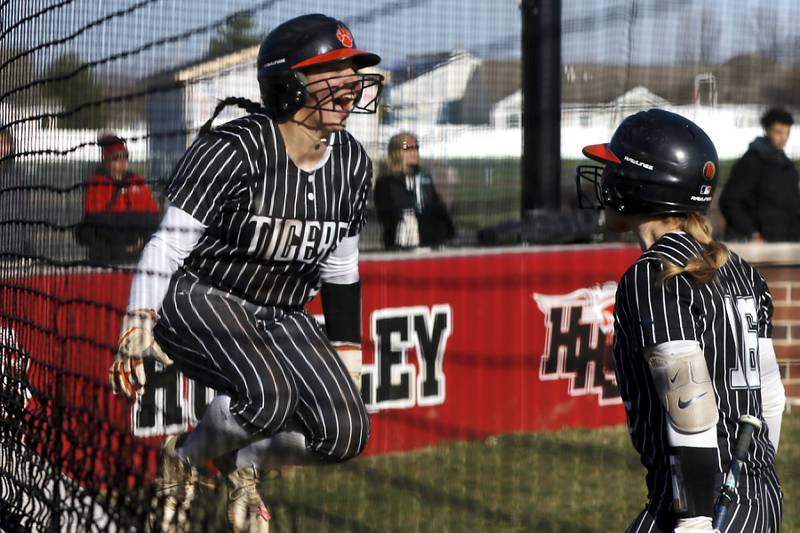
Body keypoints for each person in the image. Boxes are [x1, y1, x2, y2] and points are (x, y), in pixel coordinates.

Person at [108, 14, 383, 533]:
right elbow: (167, 244)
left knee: (345, 433)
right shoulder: (234, 149)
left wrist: (348, 352)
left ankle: (243, 465)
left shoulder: (351, 162)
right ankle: (186, 456)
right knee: (268, 396)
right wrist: (137, 318)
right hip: (201, 295)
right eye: (331, 72)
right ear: (287, 83)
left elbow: (341, 265)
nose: (349, 84)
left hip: (281, 311)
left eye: (351, 71)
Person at [576, 109, 785, 532]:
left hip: (699, 505)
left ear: (640, 183)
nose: (605, 180)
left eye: (614, 169)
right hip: (756, 496)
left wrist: (695, 521)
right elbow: (771, 398)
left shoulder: (654, 275)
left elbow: (689, 403)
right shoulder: (742, 269)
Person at [719, 107, 800, 242]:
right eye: (778, 132)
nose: (783, 138)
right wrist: (752, 233)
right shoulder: (751, 162)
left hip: (787, 243)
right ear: (766, 130)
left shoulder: (788, 167)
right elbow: (730, 201)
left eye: (787, 132)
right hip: (760, 245)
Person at [78, 134, 160, 264]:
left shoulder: (138, 182)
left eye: (125, 156)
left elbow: (153, 216)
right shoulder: (96, 184)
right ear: (106, 161)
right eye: (116, 157)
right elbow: (97, 221)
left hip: (139, 252)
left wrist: (140, 239)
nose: (122, 161)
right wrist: (124, 241)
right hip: (108, 254)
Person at [374, 132, 454, 249]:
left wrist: (446, 230)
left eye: (416, 147)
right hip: (401, 243)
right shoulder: (385, 182)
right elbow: (386, 215)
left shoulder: (424, 177)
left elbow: (437, 207)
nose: (414, 151)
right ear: (395, 152)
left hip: (432, 242)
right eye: (408, 148)